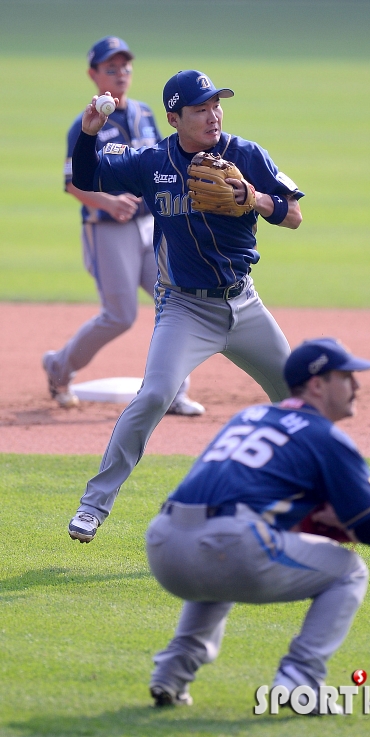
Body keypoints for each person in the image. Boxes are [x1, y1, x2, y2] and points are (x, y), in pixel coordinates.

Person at [67, 68, 304, 544]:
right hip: (184, 309)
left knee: (298, 400)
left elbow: (293, 214)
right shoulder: (153, 162)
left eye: (217, 104)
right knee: (155, 395)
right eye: (200, 108)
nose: (213, 114)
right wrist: (89, 134)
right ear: (174, 118)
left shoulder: (246, 154)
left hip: (244, 303)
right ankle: (93, 506)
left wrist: (252, 197)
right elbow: (89, 175)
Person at [145, 337, 370, 709]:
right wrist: (332, 519)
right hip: (228, 543)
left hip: (163, 543)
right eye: (346, 376)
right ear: (317, 384)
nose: (356, 386)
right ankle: (299, 680)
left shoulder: (249, 415)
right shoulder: (325, 435)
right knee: (350, 572)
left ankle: (170, 675)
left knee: (219, 570)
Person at [42, 36, 204, 417]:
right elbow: (72, 182)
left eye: (125, 67)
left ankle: (175, 392)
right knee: (119, 315)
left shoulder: (146, 114)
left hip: (151, 227)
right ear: (93, 74)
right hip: (106, 230)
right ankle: (58, 367)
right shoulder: (86, 124)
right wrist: (109, 201)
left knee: (177, 302)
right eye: (110, 68)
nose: (120, 74)